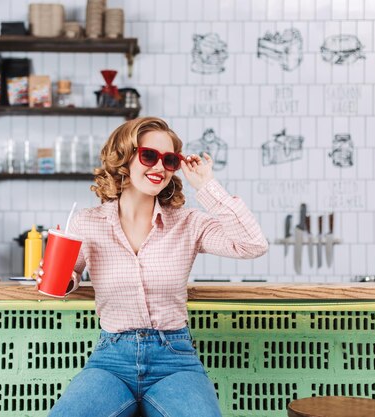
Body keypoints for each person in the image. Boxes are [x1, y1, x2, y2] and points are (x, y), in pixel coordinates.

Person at [38, 117, 268, 417]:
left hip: (175, 360)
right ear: (124, 158)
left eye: (169, 160)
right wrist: (57, 277)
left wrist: (207, 186)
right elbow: (72, 273)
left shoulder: (188, 222)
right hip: (111, 360)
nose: (159, 168)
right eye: (149, 156)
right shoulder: (87, 221)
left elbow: (253, 244)